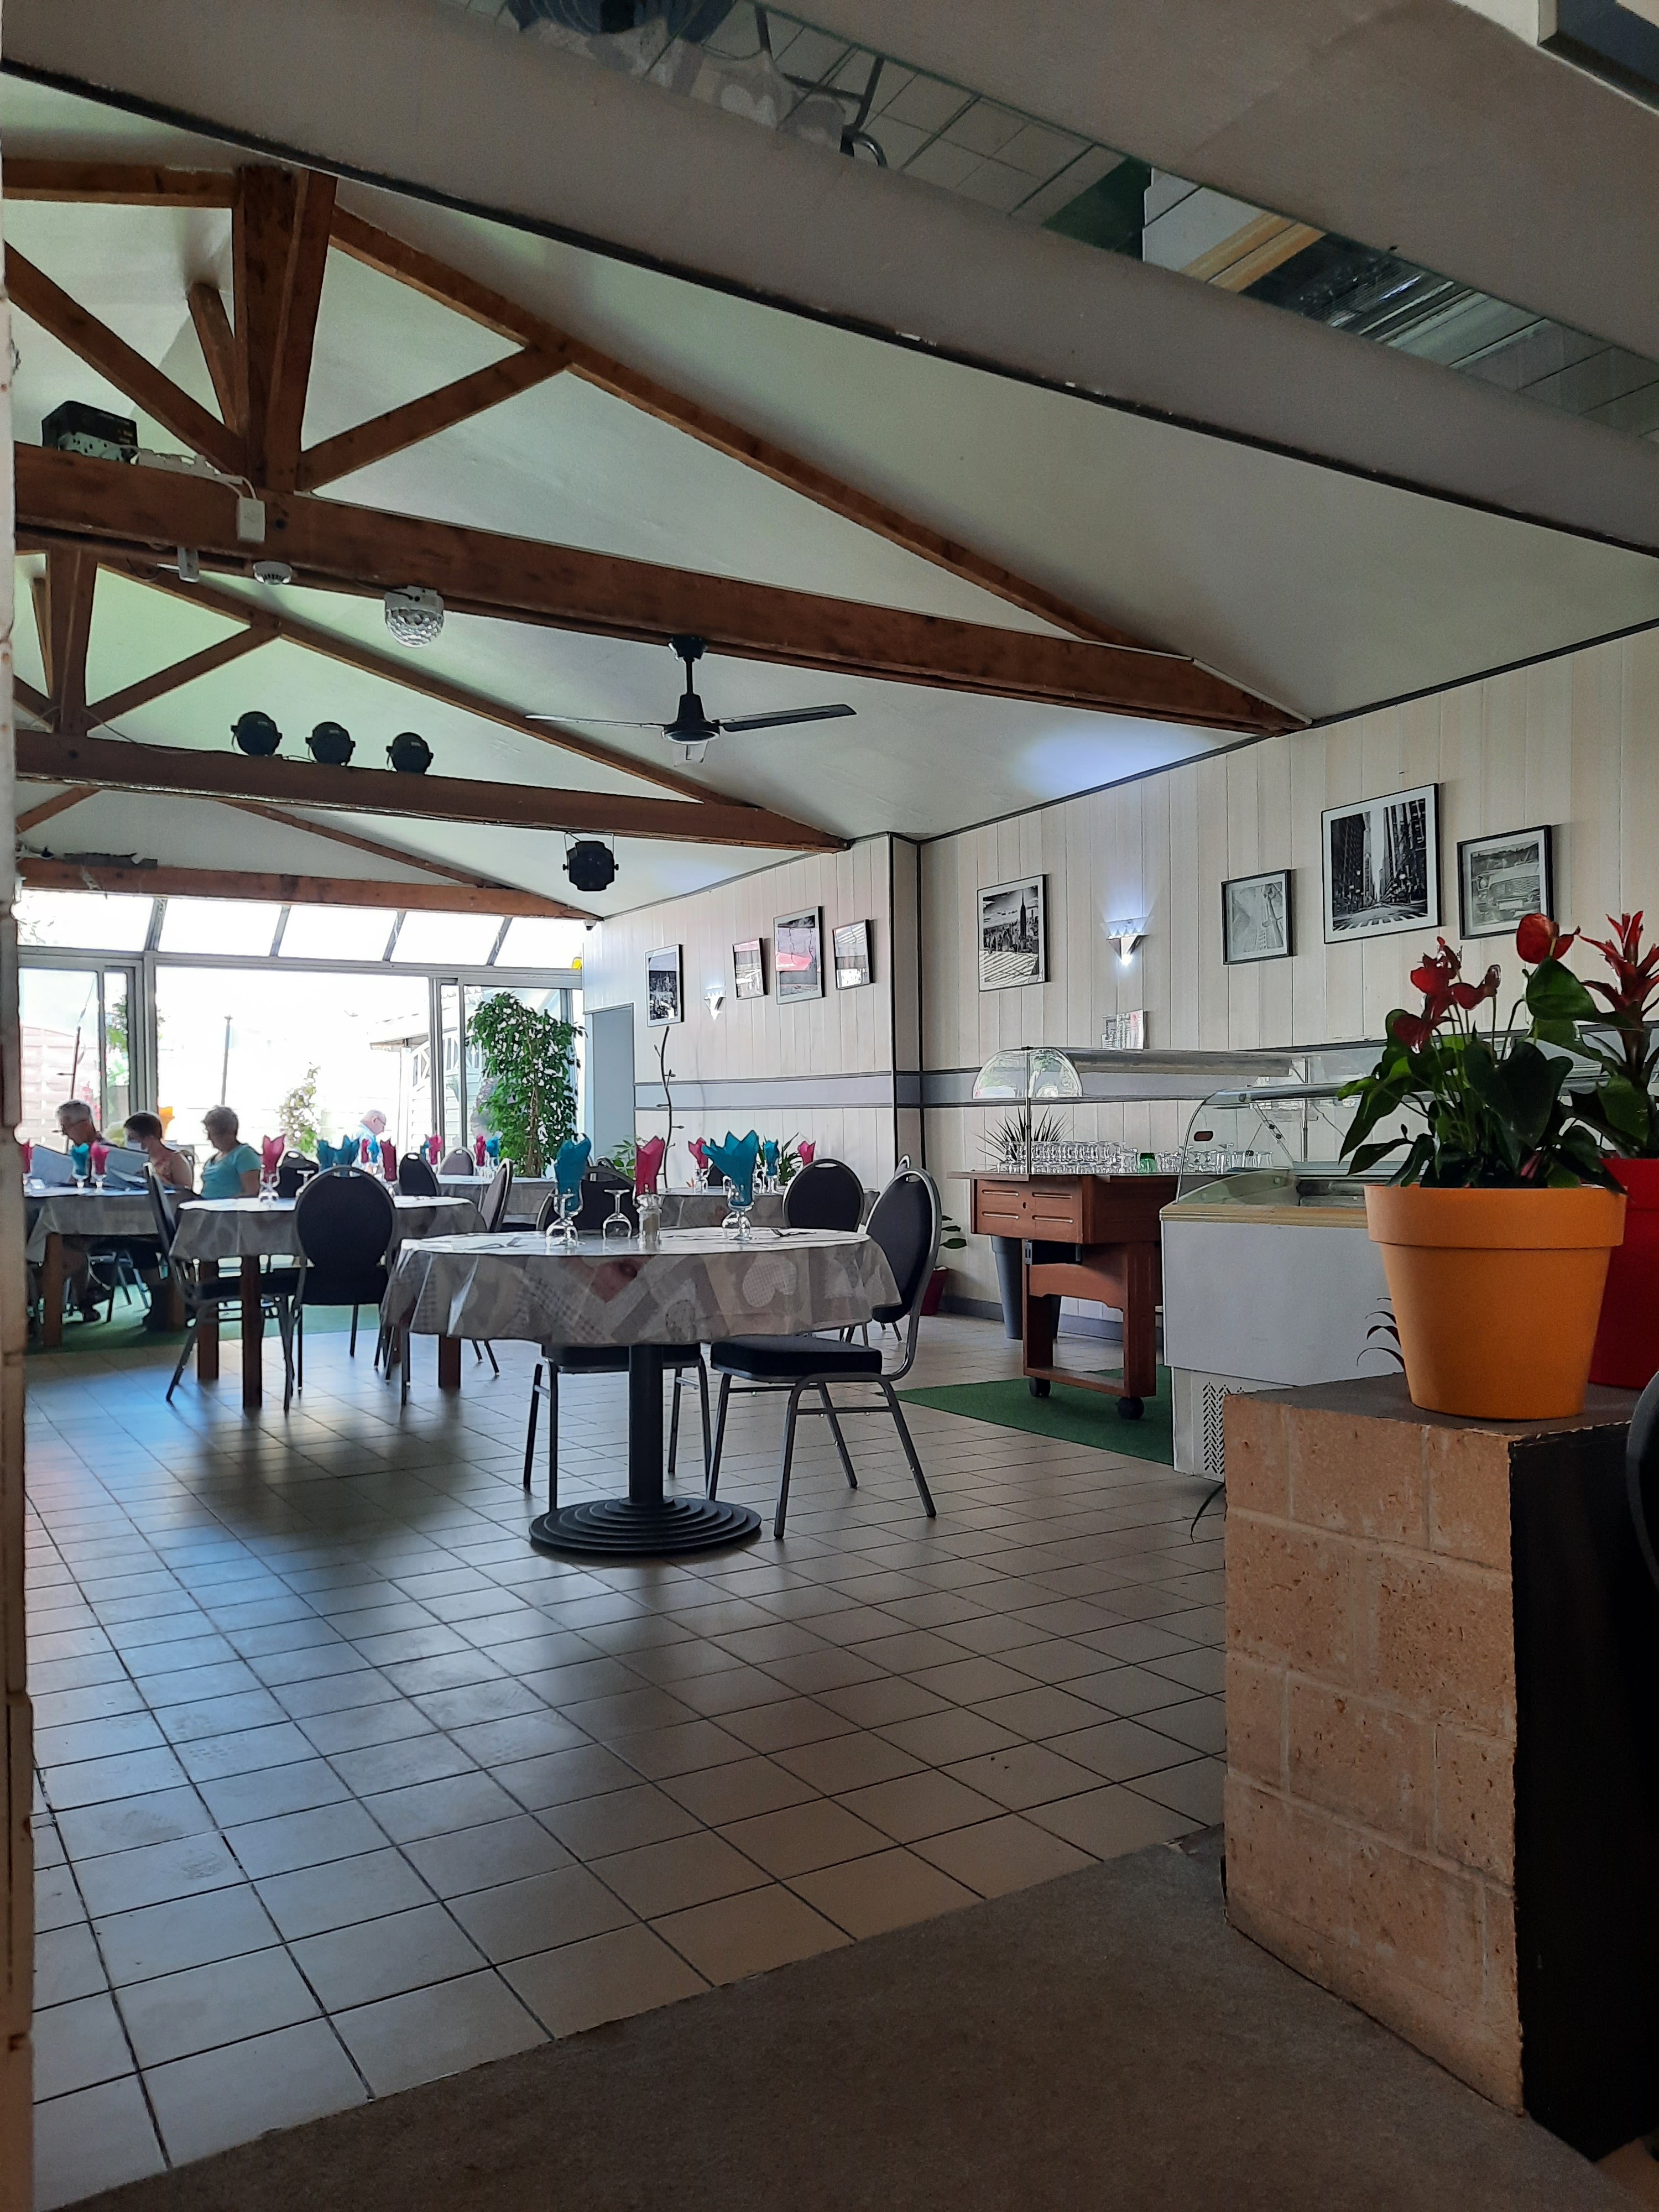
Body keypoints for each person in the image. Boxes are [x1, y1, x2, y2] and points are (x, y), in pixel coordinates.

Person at [124, 1112, 194, 1194]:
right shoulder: (137, 1159)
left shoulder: (175, 1159)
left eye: (132, 1138)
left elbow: (185, 1193)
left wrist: (156, 1178)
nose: (129, 1142)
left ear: (149, 1138)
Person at [200, 1107, 262, 1198]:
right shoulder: (212, 1160)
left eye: (212, 1133)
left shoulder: (244, 1154)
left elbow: (251, 1192)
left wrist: (224, 1203)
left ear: (228, 1133)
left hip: (228, 1206)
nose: (209, 1138)